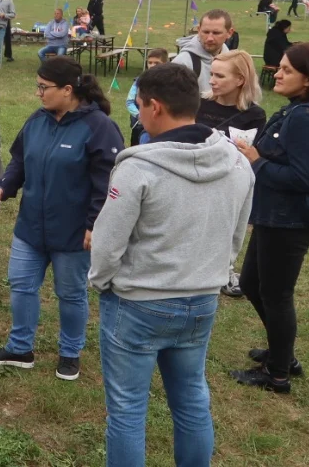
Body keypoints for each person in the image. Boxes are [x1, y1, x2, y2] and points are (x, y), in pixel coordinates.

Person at [90, 63, 255, 467]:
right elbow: (236, 235)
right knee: (192, 398)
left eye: (140, 105)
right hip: (200, 299)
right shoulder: (238, 165)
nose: (138, 112)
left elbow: (108, 244)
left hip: (138, 303)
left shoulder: (137, 169)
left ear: (156, 107)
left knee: (127, 410)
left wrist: (102, 281)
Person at [0, 56, 123, 381]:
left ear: (67, 90)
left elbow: (109, 183)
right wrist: (3, 186)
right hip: (31, 227)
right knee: (21, 285)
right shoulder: (37, 120)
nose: (38, 94)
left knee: (71, 293)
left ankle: (70, 353)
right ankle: (20, 348)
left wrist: (94, 224)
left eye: (43, 88)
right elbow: (19, 159)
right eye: (38, 86)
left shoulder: (99, 128)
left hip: (74, 234)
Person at [231, 43, 309, 394]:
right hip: (276, 217)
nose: (277, 73)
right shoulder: (303, 109)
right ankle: (282, 351)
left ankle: (278, 373)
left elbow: (301, 179)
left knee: (276, 294)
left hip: (290, 221)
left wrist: (257, 159)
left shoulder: (305, 118)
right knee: (253, 284)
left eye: (286, 70)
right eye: (279, 67)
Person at [199, 50, 267, 136]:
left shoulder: (254, 115)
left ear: (240, 80)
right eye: (211, 74)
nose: (211, 81)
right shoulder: (198, 104)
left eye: (220, 76)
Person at [174, 9, 234, 93]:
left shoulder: (233, 62)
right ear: (198, 30)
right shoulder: (183, 63)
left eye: (216, 33)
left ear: (229, 33)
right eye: (205, 32)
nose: (209, 38)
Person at [126, 48, 170, 146]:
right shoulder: (139, 81)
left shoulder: (169, 83)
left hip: (160, 127)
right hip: (139, 125)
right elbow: (129, 102)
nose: (152, 66)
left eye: (156, 63)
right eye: (150, 63)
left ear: (165, 63)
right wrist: (139, 115)